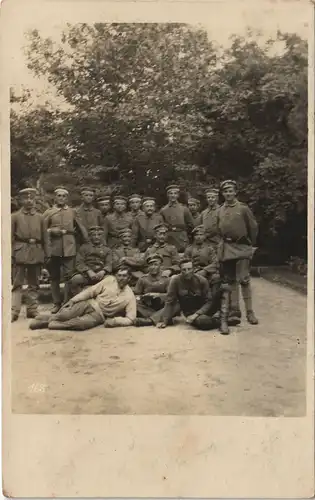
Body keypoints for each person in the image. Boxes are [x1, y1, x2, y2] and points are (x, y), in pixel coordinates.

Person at [29, 266, 137, 331]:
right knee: (66, 314)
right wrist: (73, 300)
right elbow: (90, 291)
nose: (121, 278)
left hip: (99, 316)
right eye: (119, 275)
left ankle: (51, 324)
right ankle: (48, 319)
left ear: (129, 278)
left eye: (124, 276)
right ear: (116, 276)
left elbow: (130, 319)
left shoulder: (129, 296)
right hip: (89, 303)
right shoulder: (109, 280)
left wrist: (115, 321)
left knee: (81, 324)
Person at [217, 179, 259, 325]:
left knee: (244, 279)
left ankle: (250, 312)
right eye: (225, 191)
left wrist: (251, 246)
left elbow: (253, 227)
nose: (228, 193)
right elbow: (219, 228)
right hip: (227, 248)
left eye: (231, 191)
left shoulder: (243, 208)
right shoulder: (220, 209)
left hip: (242, 247)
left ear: (235, 192)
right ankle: (235, 312)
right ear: (222, 194)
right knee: (231, 280)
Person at [156, 258, 233, 334]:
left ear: (193, 269)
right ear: (180, 270)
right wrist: (164, 320)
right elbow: (170, 301)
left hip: (205, 309)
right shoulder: (175, 280)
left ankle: (224, 322)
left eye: (189, 269)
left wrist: (197, 314)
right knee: (202, 322)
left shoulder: (202, 280)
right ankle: (222, 321)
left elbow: (209, 301)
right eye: (184, 270)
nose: (187, 272)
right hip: (190, 312)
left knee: (225, 287)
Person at [43, 186, 88, 313]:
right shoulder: (48, 212)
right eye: (59, 195)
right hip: (54, 248)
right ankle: (56, 303)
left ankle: (67, 302)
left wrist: (86, 242)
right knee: (54, 277)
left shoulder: (72, 212)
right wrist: (51, 230)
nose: (61, 198)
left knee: (70, 277)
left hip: (69, 247)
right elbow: (43, 231)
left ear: (67, 198)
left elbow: (80, 228)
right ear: (54, 197)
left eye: (64, 196)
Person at [11, 188, 48, 321]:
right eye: (26, 198)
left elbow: (45, 238)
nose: (29, 201)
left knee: (34, 283)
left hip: (36, 251)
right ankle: (14, 311)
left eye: (32, 198)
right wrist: (11, 255)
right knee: (17, 283)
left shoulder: (40, 217)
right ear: (20, 200)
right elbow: (10, 238)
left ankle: (32, 309)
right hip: (20, 251)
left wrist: (46, 254)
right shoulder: (15, 217)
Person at [68, 226, 112, 296]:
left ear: (102, 236)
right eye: (94, 235)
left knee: (111, 280)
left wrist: (103, 271)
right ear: (90, 236)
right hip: (86, 275)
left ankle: (105, 301)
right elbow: (79, 263)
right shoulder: (84, 248)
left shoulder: (107, 249)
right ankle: (79, 299)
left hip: (101, 274)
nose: (96, 237)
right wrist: (89, 271)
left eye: (99, 235)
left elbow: (109, 263)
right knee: (75, 280)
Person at [134, 253, 170, 326]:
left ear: (160, 266)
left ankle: (149, 320)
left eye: (156, 264)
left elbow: (170, 295)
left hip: (161, 306)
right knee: (134, 302)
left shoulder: (166, 278)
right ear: (148, 267)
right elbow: (136, 295)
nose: (153, 267)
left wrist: (158, 295)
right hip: (147, 307)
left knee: (176, 302)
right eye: (151, 265)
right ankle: (161, 318)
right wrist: (143, 297)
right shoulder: (142, 279)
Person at [160, 184, 195, 252]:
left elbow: (191, 225)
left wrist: (184, 233)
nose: (173, 195)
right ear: (168, 195)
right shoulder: (163, 210)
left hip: (182, 240)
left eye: (175, 193)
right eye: (171, 193)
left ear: (178, 195)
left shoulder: (184, 209)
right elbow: (161, 226)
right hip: (169, 240)